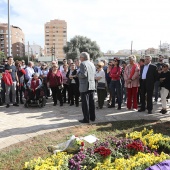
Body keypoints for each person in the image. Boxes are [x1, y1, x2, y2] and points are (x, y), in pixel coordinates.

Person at [78, 52, 96, 123]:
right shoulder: (92, 64)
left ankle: (86, 119)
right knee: (91, 102)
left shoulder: (83, 64)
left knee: (85, 103)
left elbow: (83, 75)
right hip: (91, 85)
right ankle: (92, 117)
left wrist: (77, 74)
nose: (80, 59)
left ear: (83, 58)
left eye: (80, 57)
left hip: (84, 86)